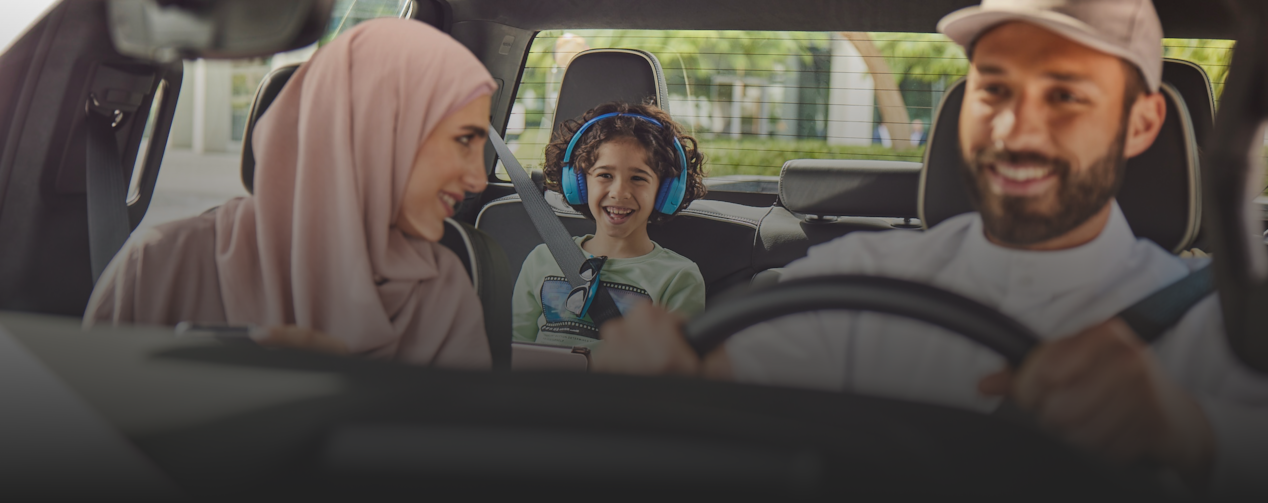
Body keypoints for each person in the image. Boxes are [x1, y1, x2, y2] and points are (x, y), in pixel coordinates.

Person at [591, 0, 1268, 496]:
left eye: (1064, 95)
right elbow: (735, 403)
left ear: (1141, 123)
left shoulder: (1222, 325)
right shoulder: (858, 278)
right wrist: (673, 380)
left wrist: (1190, 432)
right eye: (994, 88)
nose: (1014, 127)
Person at [84, 19, 497, 369]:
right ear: (375, 133)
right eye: (464, 140)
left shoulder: (443, 293)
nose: (480, 179)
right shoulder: (158, 267)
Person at [511, 102, 708, 349]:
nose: (619, 192)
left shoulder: (678, 277)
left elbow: (672, 372)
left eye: (638, 178)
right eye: (605, 175)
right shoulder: (541, 260)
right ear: (578, 183)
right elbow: (513, 350)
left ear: (667, 191)